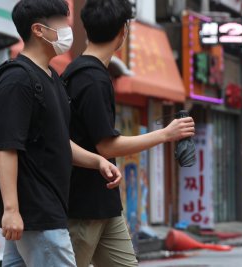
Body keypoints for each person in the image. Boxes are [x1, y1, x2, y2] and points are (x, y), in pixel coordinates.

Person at [64, 0, 195, 266]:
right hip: (83, 205)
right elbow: (107, 146)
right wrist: (166, 134)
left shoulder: (81, 72)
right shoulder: (91, 79)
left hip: (103, 202)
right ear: (123, 32)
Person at [0, 0, 122, 266]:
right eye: (62, 22)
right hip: (38, 213)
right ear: (39, 30)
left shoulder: (51, 77)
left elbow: (58, 142)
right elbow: (6, 146)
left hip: (43, 212)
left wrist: (97, 161)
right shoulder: (17, 79)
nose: (68, 27)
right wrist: (11, 209)